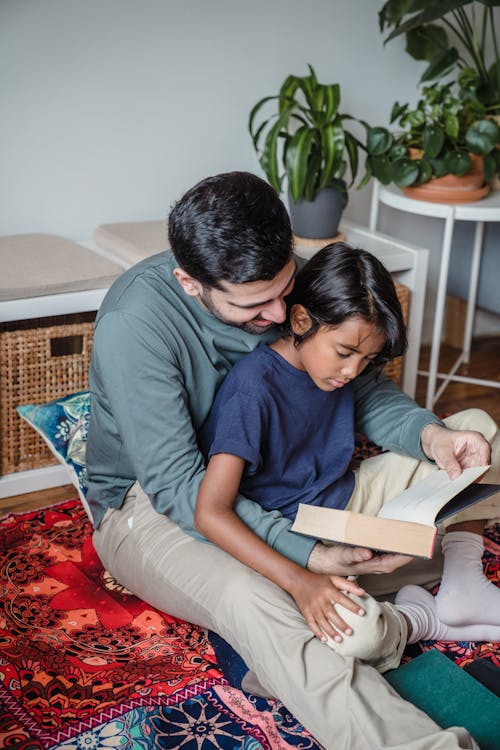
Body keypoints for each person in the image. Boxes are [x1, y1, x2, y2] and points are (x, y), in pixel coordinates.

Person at [86, 170, 499, 750]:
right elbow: (184, 492)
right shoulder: (138, 325)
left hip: (290, 487)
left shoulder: (285, 282)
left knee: (472, 437)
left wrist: (430, 438)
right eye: (256, 305)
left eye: (287, 290)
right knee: (257, 596)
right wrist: (305, 560)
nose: (282, 315)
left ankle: (448, 589)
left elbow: (357, 388)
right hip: (151, 507)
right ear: (190, 282)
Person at [195, 242, 500, 650]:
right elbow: (210, 511)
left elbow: (385, 409)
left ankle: (463, 584)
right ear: (301, 319)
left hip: (352, 500)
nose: (352, 371)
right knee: (356, 635)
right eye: (345, 353)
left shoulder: (340, 371)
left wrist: (438, 437)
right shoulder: (252, 390)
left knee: (476, 429)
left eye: (365, 360)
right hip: (298, 539)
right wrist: (301, 580)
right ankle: (416, 620)